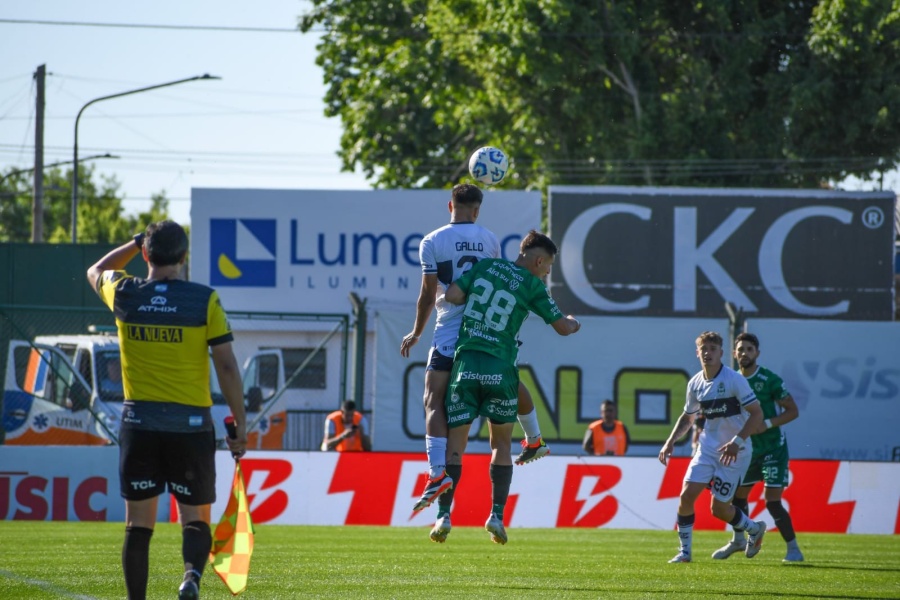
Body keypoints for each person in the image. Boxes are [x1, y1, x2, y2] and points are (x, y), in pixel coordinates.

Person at [86, 221, 247, 600]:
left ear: (145, 253)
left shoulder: (125, 292)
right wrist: (240, 424)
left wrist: (135, 241)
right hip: (190, 426)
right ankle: (191, 577)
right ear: (184, 257)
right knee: (194, 518)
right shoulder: (203, 299)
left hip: (139, 424)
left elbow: (96, 269)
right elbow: (227, 366)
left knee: (138, 525)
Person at [400, 183, 550, 516]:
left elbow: (427, 295)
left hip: (448, 332)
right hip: (483, 331)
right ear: (478, 210)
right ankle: (534, 437)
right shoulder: (490, 239)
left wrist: (416, 332)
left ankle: (437, 474)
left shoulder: (432, 241)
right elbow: (495, 280)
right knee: (507, 378)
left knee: (433, 400)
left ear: (449, 206)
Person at [431, 230, 581, 544]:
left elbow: (453, 296)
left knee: (455, 444)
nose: (547, 272)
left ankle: (443, 515)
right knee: (500, 445)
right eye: (548, 266)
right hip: (500, 369)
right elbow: (563, 328)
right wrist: (573, 321)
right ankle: (496, 516)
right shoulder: (533, 286)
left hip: (466, 365)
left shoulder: (486, 266)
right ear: (539, 262)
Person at [658, 331, 765, 564]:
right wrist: (670, 441)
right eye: (703, 349)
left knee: (719, 509)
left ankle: (754, 528)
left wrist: (737, 442)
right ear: (697, 353)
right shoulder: (695, 383)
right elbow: (688, 417)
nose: (708, 353)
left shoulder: (734, 380)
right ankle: (685, 552)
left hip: (735, 452)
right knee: (686, 496)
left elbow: (757, 414)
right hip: (707, 449)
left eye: (712, 349)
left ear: (721, 353)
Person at [711, 332, 804, 562]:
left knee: (772, 501)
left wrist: (768, 424)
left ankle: (794, 550)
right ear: (734, 354)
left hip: (773, 448)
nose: (744, 353)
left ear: (757, 353)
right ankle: (738, 540)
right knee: (738, 497)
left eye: (749, 349)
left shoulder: (769, 380)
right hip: (747, 449)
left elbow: (793, 411)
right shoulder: (729, 380)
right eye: (740, 349)